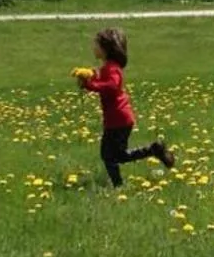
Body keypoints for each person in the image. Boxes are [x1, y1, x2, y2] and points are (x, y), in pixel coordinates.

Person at [75, 28, 175, 187]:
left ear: (106, 48)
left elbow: (112, 86)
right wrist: (91, 77)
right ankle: (153, 150)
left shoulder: (111, 67)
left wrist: (91, 85)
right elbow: (106, 83)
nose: (93, 47)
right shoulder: (108, 66)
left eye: (96, 44)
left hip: (118, 120)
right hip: (118, 119)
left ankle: (118, 185)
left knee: (108, 155)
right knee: (117, 155)